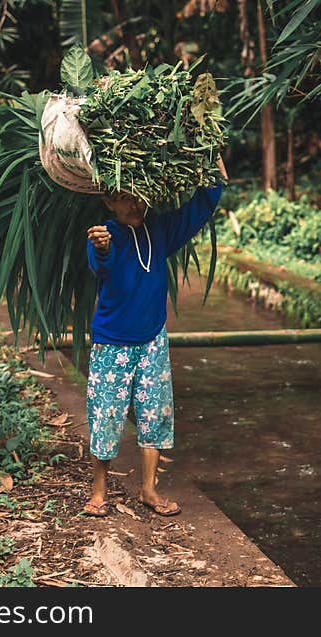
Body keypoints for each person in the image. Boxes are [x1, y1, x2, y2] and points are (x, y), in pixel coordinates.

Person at [82, 157, 228, 517]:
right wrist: (100, 247)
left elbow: (200, 208)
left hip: (152, 341)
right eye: (124, 198)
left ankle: (149, 489)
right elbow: (100, 264)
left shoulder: (160, 231)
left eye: (139, 196)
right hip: (112, 343)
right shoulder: (105, 236)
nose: (134, 205)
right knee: (106, 414)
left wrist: (216, 170)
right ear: (109, 202)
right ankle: (98, 491)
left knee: (155, 413)